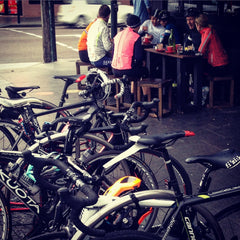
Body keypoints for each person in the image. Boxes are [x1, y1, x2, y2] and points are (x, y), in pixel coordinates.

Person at [111, 14, 149, 102]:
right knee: (144, 72)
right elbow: (139, 57)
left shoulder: (118, 35)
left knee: (134, 68)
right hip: (127, 70)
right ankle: (146, 100)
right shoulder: (136, 37)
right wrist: (143, 62)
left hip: (114, 69)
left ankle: (132, 98)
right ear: (138, 26)